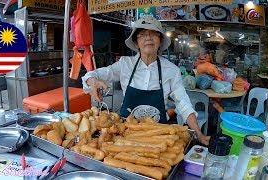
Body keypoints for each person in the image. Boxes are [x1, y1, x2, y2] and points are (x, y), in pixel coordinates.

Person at [82, 16, 210, 145]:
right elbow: (93, 75)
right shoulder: (125, 64)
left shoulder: (171, 70)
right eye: (142, 35)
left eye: (153, 34)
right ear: (136, 42)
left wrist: (198, 133)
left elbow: (183, 103)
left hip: (157, 136)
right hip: (125, 134)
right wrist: (93, 82)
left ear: (160, 41)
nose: (148, 38)